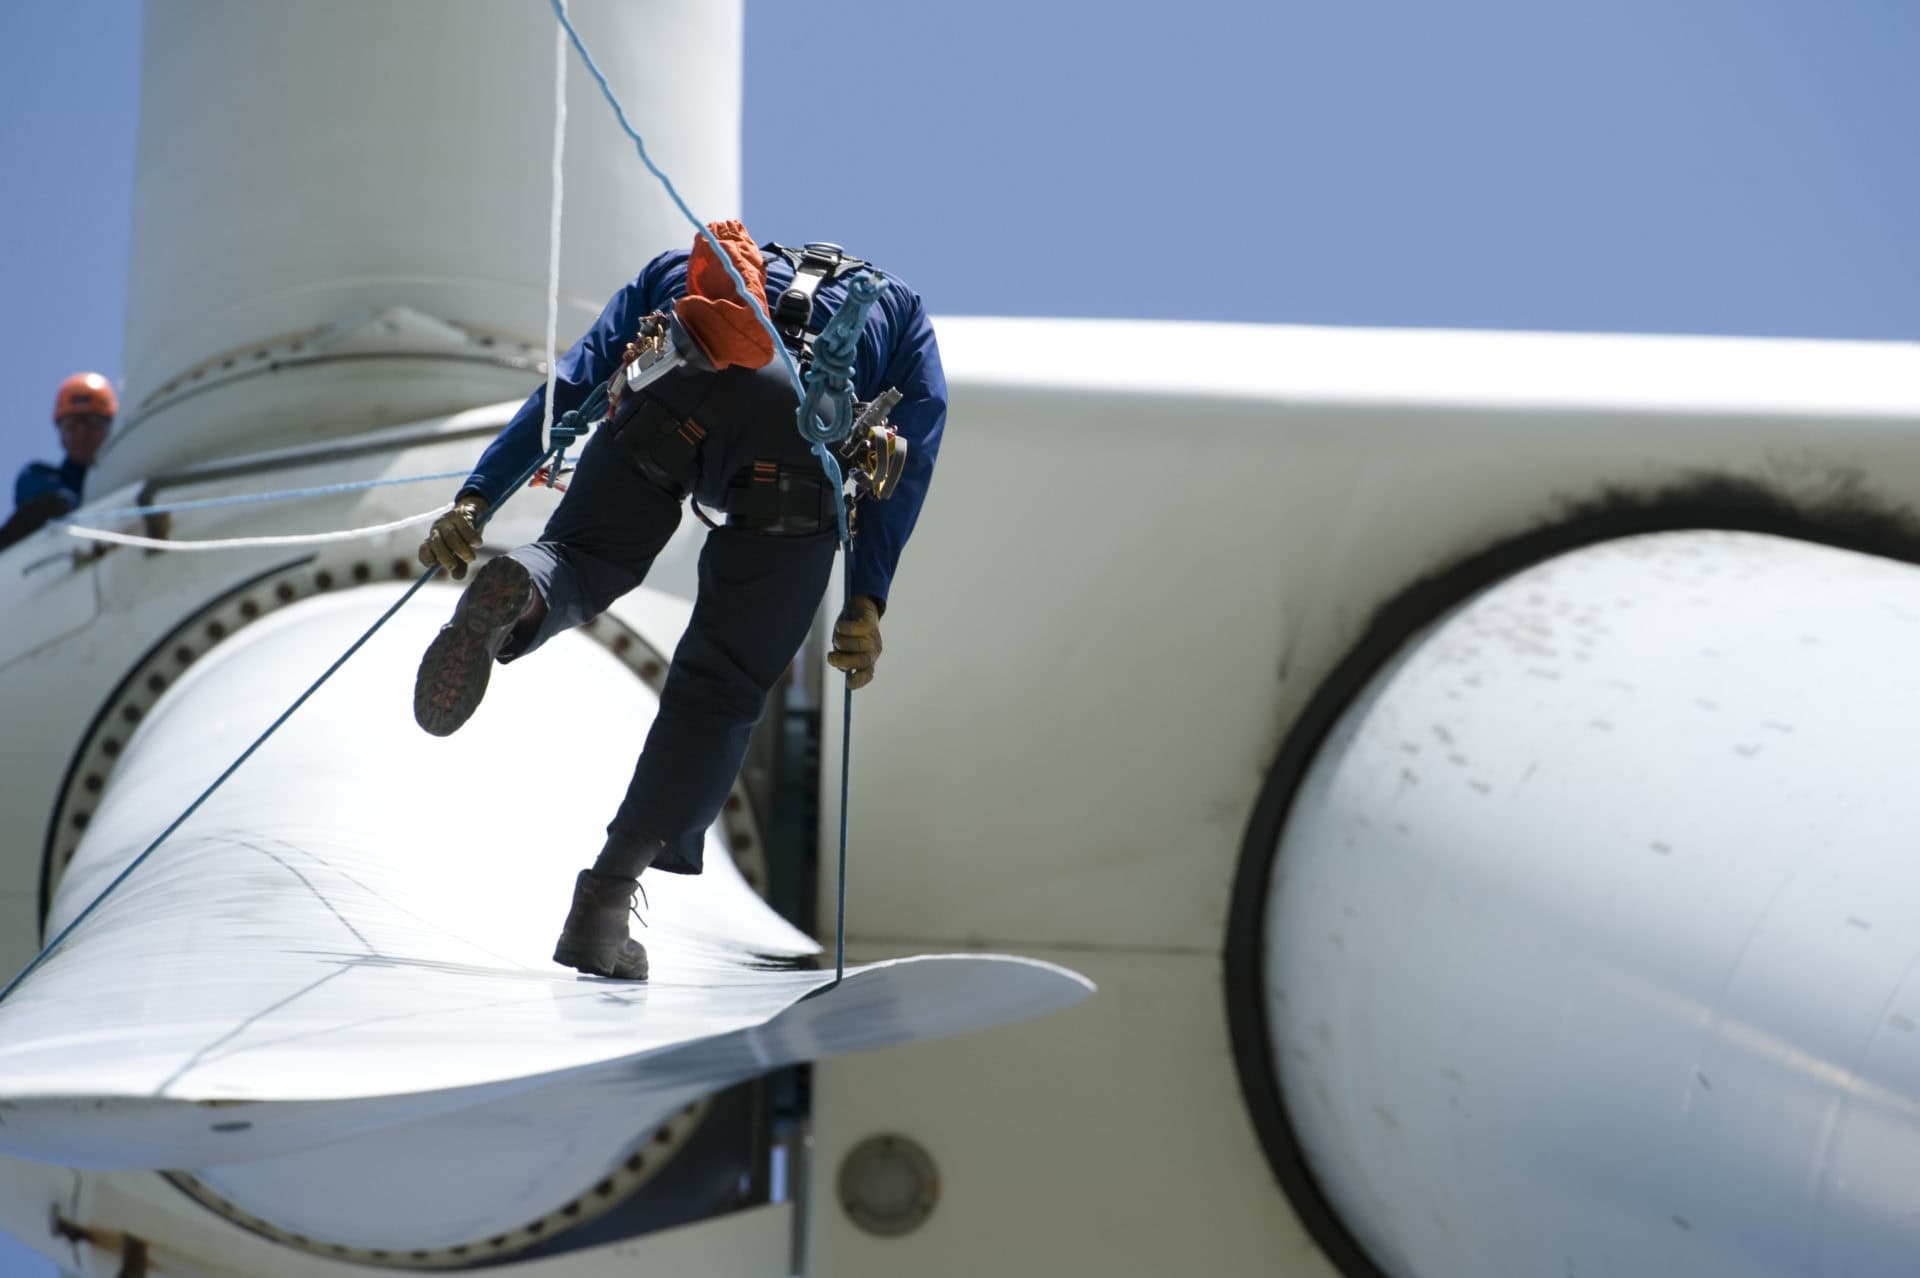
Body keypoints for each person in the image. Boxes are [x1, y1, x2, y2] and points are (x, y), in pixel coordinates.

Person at [412, 221, 946, 981]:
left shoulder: (689, 269)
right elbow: (913, 451)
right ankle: (603, 905)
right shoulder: (905, 313)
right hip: (798, 448)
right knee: (720, 685)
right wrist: (867, 599)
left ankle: (522, 591)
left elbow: (582, 375)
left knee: (580, 555)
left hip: (679, 388)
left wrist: (478, 496)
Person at [2, 372, 117, 551]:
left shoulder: (124, 478)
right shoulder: (37, 477)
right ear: (60, 433)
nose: (82, 432)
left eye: (92, 422)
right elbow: (50, 506)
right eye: (72, 423)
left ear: (111, 427)